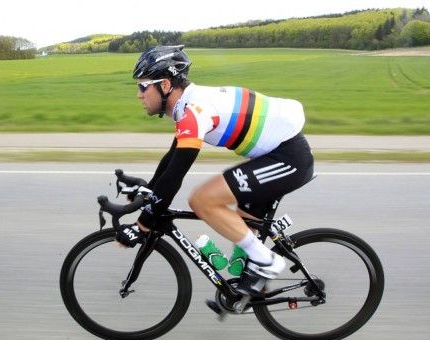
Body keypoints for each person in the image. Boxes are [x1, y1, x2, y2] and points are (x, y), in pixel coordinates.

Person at [115, 45, 314, 295]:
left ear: (165, 85)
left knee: (202, 200)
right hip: (272, 154)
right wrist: (148, 189)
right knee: (241, 234)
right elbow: (171, 160)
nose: (139, 94)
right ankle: (245, 292)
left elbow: (177, 174)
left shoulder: (195, 112)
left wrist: (143, 224)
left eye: (143, 86)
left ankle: (268, 262)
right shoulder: (187, 106)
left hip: (288, 158)